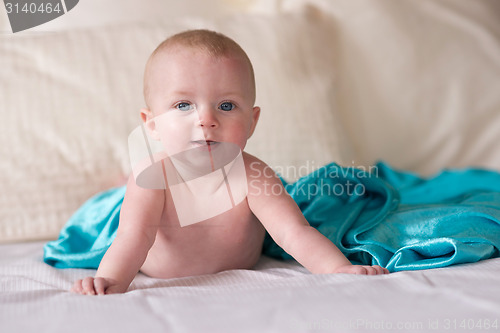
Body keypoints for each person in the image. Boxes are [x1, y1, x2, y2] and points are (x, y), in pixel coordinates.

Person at [71, 29, 388, 295]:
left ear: (252, 122)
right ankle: (117, 189)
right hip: (145, 239)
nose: (206, 119)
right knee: (123, 207)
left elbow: (293, 232)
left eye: (226, 105)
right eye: (183, 105)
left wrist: (337, 269)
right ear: (151, 123)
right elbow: (133, 236)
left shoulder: (254, 174)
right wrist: (112, 280)